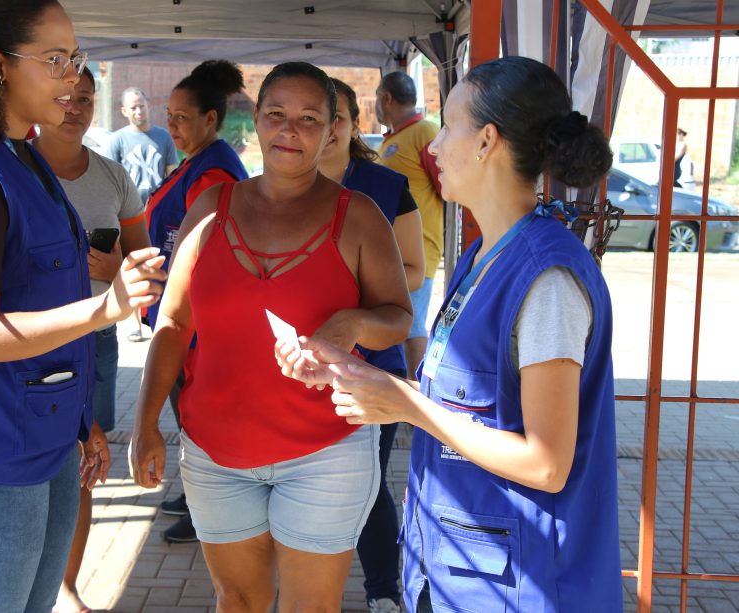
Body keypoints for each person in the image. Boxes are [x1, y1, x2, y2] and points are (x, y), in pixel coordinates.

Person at [277, 56, 622, 613]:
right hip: (458, 570)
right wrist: (353, 372)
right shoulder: (485, 254)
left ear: (487, 140)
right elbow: (456, 399)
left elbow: (546, 463)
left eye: (449, 124)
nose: (432, 147)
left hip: (522, 585)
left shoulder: (547, 278)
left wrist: (409, 406)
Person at [0, 2, 166, 611]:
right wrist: (105, 311)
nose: (71, 77)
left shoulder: (21, 159)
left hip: (46, 439)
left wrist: (83, 420)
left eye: (74, 59)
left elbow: (42, 298)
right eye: (54, 60)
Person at [130, 61, 412, 611]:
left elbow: (398, 315)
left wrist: (351, 323)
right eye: (277, 114)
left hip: (325, 451)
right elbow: (173, 322)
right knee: (235, 601)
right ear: (255, 120)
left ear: (333, 129)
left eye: (309, 118)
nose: (290, 129)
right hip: (216, 453)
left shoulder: (359, 216)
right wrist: (144, 425)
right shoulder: (211, 209)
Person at [32, 67, 150, 613]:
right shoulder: (13, 169)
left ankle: (66, 583)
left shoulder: (112, 176)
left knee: (83, 463)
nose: (74, 107)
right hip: (26, 343)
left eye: (84, 98)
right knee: (33, 462)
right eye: (63, 97)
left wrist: (115, 262)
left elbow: (146, 264)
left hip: (96, 341)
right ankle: (31, 582)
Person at [318, 77, 424, 613]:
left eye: (337, 116)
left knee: (366, 482)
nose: (327, 127)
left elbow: (415, 272)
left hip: (368, 361)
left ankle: (383, 587)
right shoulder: (278, 183)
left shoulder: (386, 186)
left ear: (354, 123)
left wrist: (352, 306)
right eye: (318, 115)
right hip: (298, 359)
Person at [143, 59, 250, 544]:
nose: (172, 126)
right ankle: (193, 496)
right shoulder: (198, 164)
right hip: (182, 318)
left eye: (183, 117)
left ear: (211, 119)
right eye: (169, 115)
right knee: (186, 414)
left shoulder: (214, 176)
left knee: (194, 418)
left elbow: (208, 257)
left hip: (196, 326)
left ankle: (203, 503)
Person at [375, 72, 445, 380]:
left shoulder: (425, 131)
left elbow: (446, 187)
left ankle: (418, 404)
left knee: (412, 326)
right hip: (392, 251)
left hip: (419, 249)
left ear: (386, 98)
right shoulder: (396, 137)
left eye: (377, 97)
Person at [106, 87, 179, 342]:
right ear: (124, 111)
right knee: (135, 267)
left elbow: (172, 175)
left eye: (142, 105)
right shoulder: (118, 140)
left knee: (163, 266)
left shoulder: (163, 137)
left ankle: (163, 316)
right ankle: (136, 322)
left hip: (159, 216)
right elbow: (110, 181)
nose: (139, 111)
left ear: (149, 105)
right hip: (130, 218)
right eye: (133, 107)